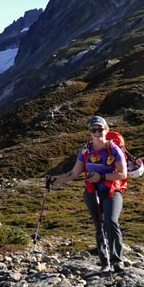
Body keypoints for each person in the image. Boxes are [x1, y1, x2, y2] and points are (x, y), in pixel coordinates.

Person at [49, 115, 128, 271]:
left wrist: (102, 176)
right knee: (100, 225)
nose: (97, 132)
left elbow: (122, 174)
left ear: (106, 130)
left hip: (112, 191)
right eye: (94, 130)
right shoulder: (85, 151)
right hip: (92, 192)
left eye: (100, 129)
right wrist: (55, 181)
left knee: (111, 221)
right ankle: (105, 262)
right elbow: (74, 173)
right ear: (90, 132)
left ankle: (117, 260)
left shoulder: (113, 149)